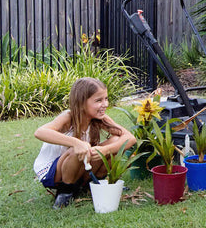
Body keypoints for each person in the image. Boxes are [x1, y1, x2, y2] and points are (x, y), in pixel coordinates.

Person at [34, 77, 135, 209]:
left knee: (116, 141)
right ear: (82, 103)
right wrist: (76, 143)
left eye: (106, 98)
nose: (105, 104)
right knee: (76, 150)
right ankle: (65, 192)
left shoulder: (100, 118)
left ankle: (92, 184)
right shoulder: (68, 117)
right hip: (52, 172)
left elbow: (130, 137)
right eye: (98, 100)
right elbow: (40, 132)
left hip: (81, 165)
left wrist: (105, 150)